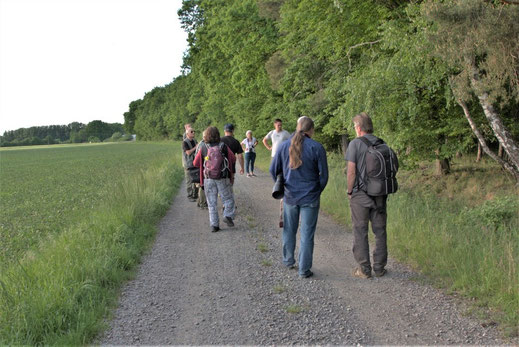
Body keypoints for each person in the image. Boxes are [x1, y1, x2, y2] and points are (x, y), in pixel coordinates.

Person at [270, 117, 328, 278]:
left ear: (297, 128)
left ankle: (288, 260)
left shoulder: (283, 147)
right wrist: (317, 191)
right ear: (311, 130)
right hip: (310, 196)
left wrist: (281, 185)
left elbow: (273, 170)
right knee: (307, 233)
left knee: (289, 230)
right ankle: (304, 269)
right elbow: (324, 176)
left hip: (290, 196)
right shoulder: (317, 147)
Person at [346, 112, 388, 279]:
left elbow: (351, 172)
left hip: (360, 194)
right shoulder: (382, 143)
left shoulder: (355, 144)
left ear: (358, 128)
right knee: (380, 230)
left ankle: (364, 269)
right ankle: (379, 268)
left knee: (360, 229)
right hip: (379, 193)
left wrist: (350, 191)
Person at [194, 126, 236, 232]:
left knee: (211, 203)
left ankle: (214, 225)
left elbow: (195, 163)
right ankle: (227, 215)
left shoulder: (203, 147)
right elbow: (233, 158)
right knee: (228, 199)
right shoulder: (223, 146)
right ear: (218, 134)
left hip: (208, 178)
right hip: (222, 177)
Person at [182, 126, 198, 202]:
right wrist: (195, 147)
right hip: (188, 164)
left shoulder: (195, 140)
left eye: (194, 131)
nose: (193, 132)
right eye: (191, 132)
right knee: (189, 180)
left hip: (195, 163)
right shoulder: (184, 142)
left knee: (196, 179)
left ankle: (195, 195)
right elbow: (188, 152)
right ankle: (190, 196)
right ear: (187, 134)